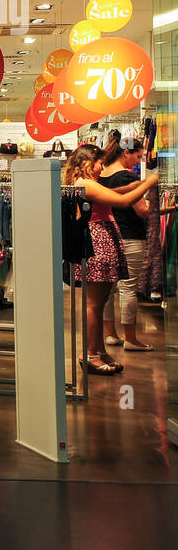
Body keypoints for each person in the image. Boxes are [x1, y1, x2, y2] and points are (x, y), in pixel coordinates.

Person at [62, 143, 158, 375]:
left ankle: (98, 350)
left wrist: (136, 185)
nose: (100, 167)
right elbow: (122, 202)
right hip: (98, 240)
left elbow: (115, 195)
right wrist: (148, 183)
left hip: (102, 238)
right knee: (94, 304)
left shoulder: (87, 183)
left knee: (100, 302)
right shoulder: (83, 183)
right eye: (98, 163)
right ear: (86, 162)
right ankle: (90, 354)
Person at [98, 135, 154, 352]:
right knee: (128, 287)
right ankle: (131, 338)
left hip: (109, 234)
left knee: (108, 289)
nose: (138, 162)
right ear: (126, 153)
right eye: (138, 156)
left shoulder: (102, 174)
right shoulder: (126, 177)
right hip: (130, 236)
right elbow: (142, 211)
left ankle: (110, 334)